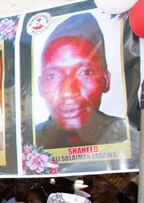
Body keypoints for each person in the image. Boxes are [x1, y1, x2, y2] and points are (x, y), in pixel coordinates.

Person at [35, 13, 140, 148]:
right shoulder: (29, 143)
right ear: (40, 86)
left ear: (106, 81)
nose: (68, 92)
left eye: (85, 73)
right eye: (53, 76)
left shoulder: (132, 139)